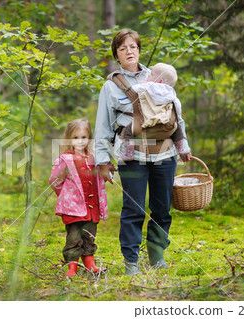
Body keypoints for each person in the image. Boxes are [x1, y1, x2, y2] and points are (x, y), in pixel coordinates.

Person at [94, 29, 192, 276]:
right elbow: (103, 126)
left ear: (139, 50)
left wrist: (184, 146)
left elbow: (175, 113)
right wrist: (103, 161)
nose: (129, 51)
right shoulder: (110, 86)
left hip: (164, 154)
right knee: (133, 208)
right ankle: (131, 261)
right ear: (116, 54)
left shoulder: (159, 76)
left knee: (162, 207)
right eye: (123, 48)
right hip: (132, 156)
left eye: (133, 47)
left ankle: (157, 255)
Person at [49, 118, 109, 277]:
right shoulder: (64, 160)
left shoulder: (94, 159)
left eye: (84, 137)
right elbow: (55, 181)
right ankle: (72, 269)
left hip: (91, 206)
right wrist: (66, 196)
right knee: (74, 237)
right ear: (69, 139)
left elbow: (98, 179)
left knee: (89, 236)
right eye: (76, 138)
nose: (80, 141)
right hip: (73, 208)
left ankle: (91, 265)